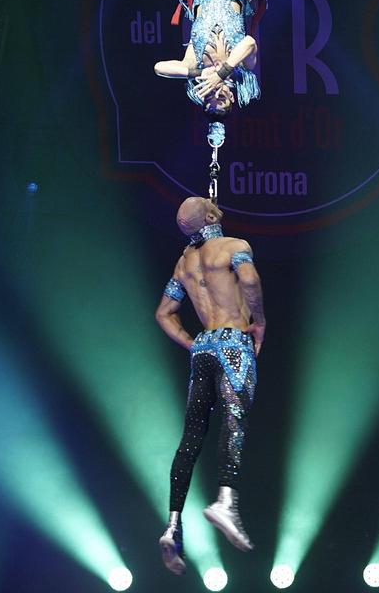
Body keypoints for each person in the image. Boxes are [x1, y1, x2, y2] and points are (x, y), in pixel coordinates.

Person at [42, 0, 379, 115]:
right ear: (234, 95)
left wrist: (197, 73)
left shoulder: (195, 65)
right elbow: (250, 44)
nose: (214, 95)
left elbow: (162, 68)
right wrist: (224, 70)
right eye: (222, 99)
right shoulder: (244, 70)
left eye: (209, 100)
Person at [152, 196, 267, 574]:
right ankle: (225, 500)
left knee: (191, 436)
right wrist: (260, 321)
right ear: (213, 215)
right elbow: (248, 280)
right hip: (234, 340)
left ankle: (172, 524)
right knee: (235, 419)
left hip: (203, 347)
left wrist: (192, 341)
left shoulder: (184, 262)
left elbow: (164, 313)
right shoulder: (234, 247)